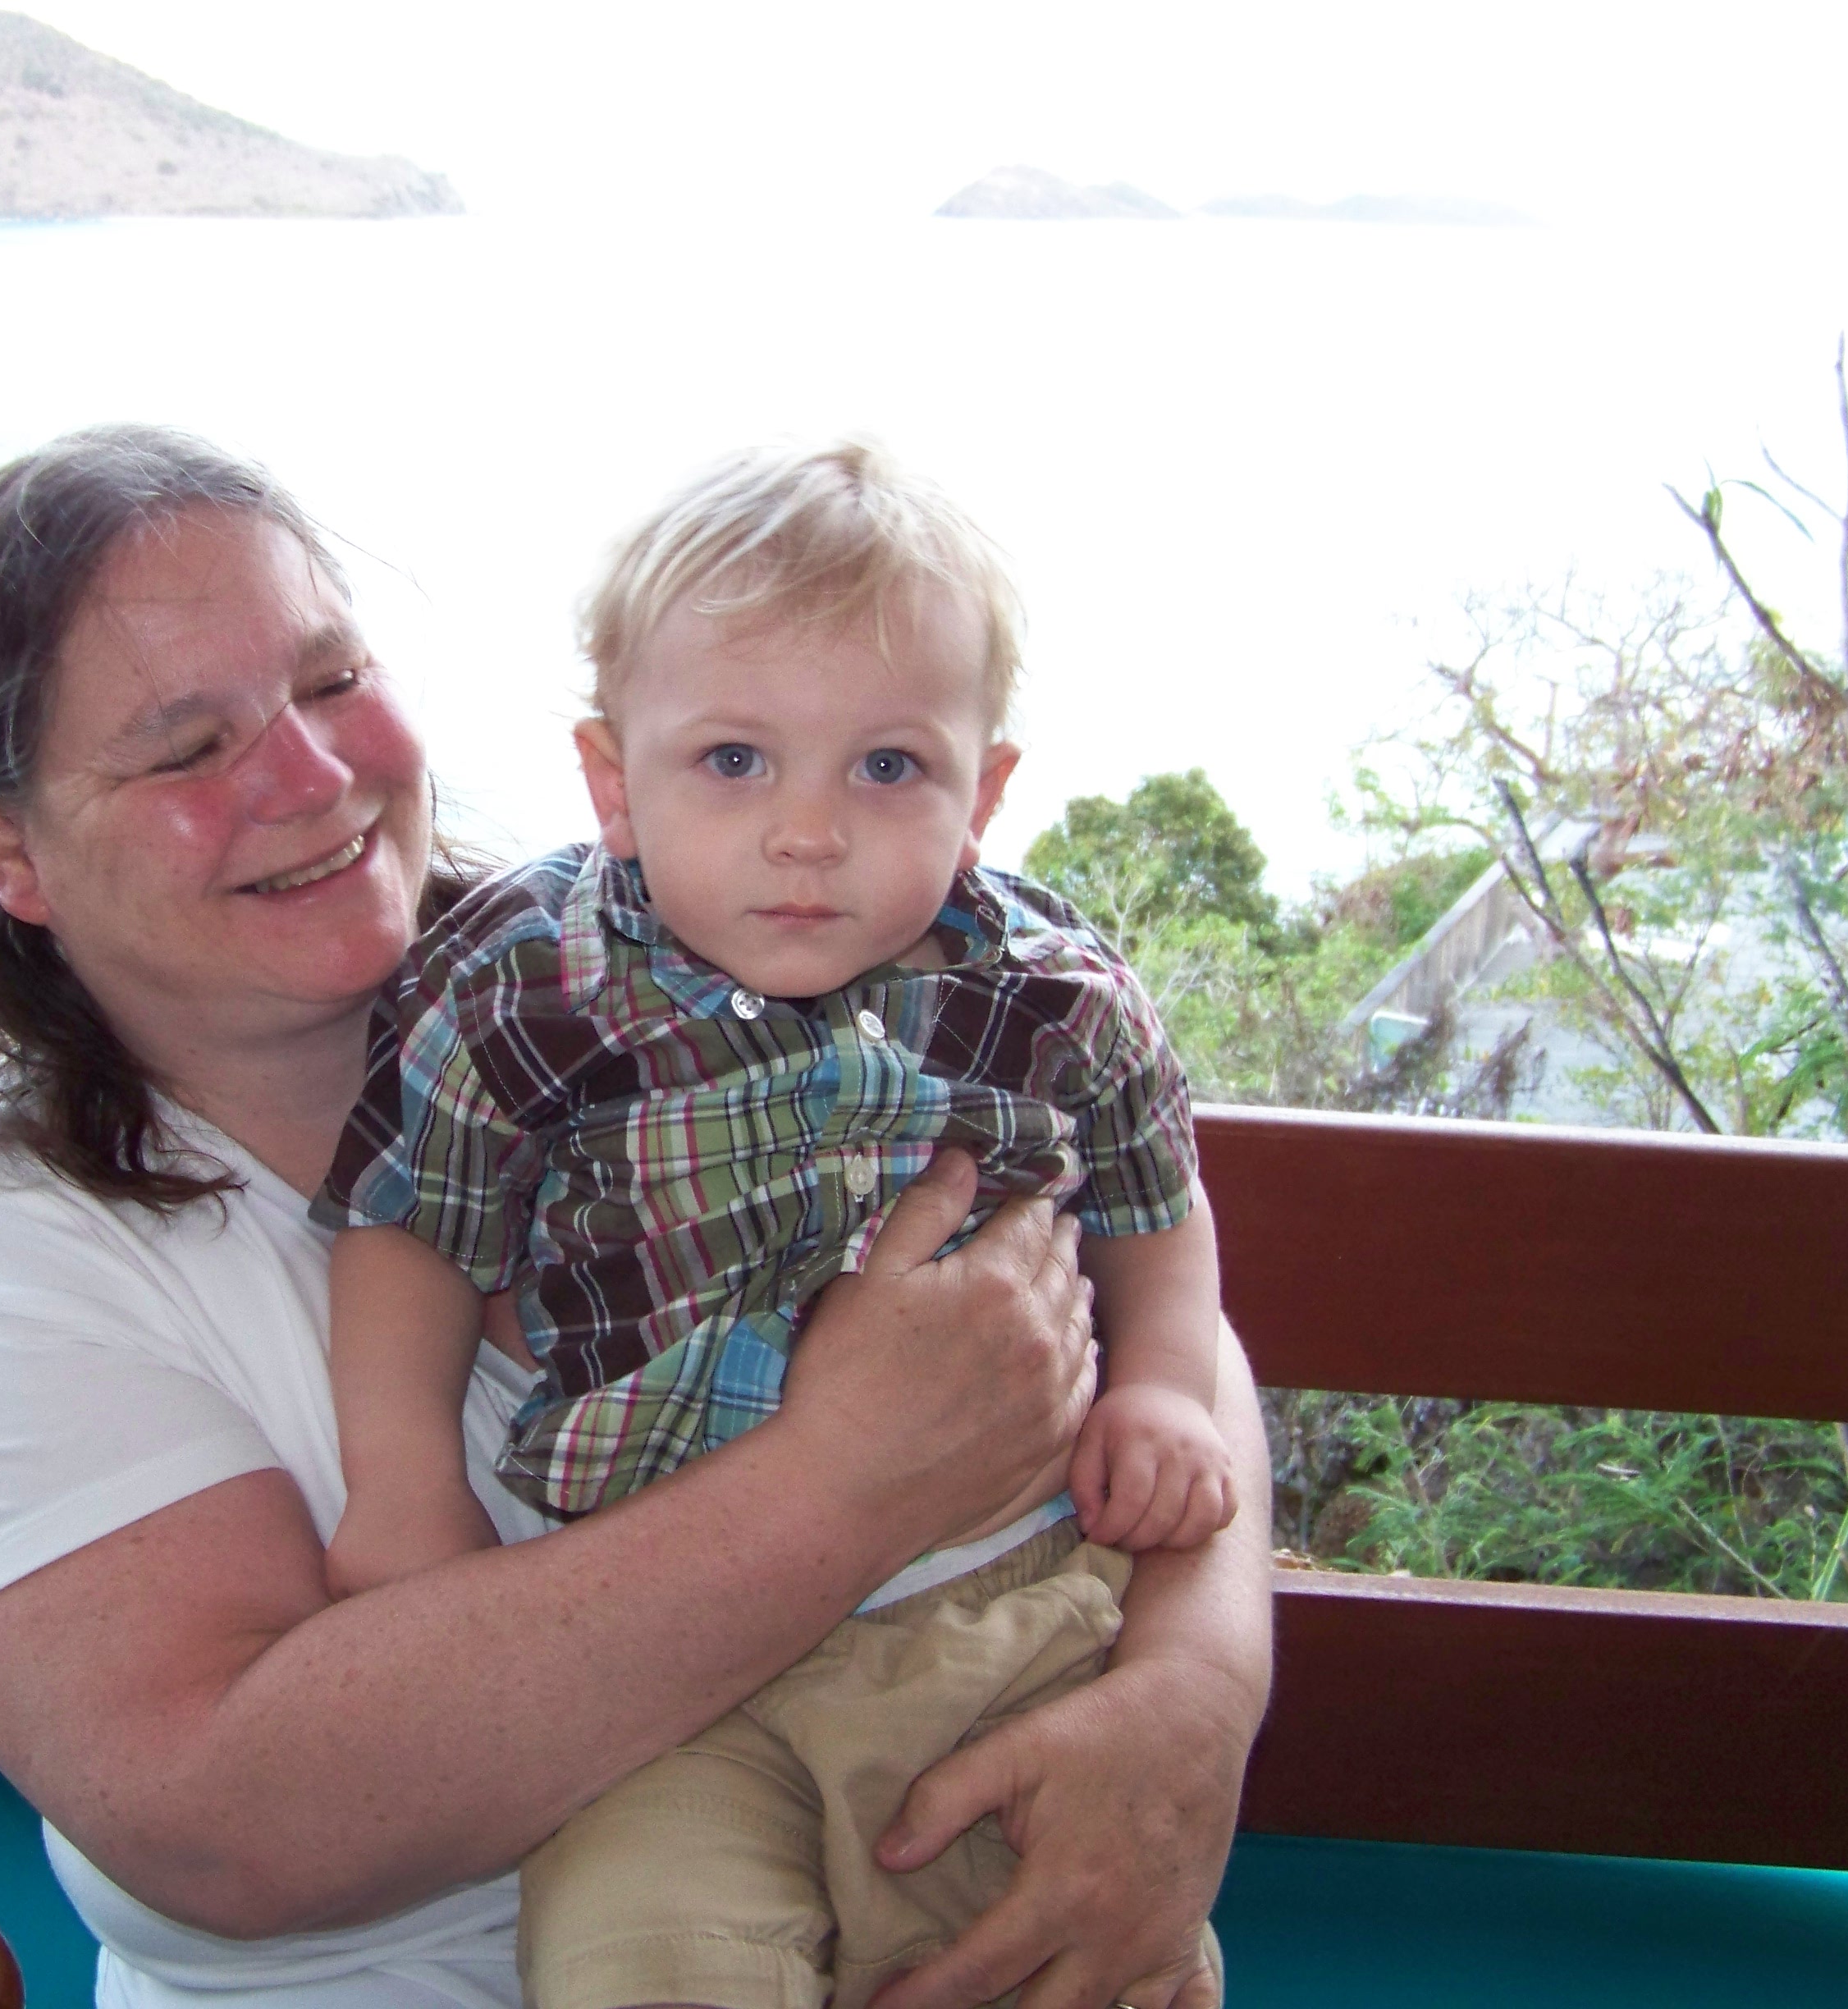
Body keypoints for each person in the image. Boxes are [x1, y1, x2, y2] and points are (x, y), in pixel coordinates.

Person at [0, 423, 1274, 2009]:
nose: (309, 775)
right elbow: (220, 1821)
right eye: (186, 748)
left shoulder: (671, 963)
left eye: (331, 680)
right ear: (7, 841)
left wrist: (1196, 1689)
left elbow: (1116, 1286)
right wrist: (847, 1479)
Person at [314, 442, 1236, 2008]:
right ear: (615, 781)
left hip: (1004, 1607)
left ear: (983, 794)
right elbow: (413, 1232)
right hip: (661, 1658)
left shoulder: (1052, 994)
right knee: (640, 1962)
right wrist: (403, 1492)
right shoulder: (525, 986)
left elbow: (1157, 1206)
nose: (809, 830)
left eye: (888, 768)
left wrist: (1161, 1388)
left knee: (1080, 1956)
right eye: (735, 759)